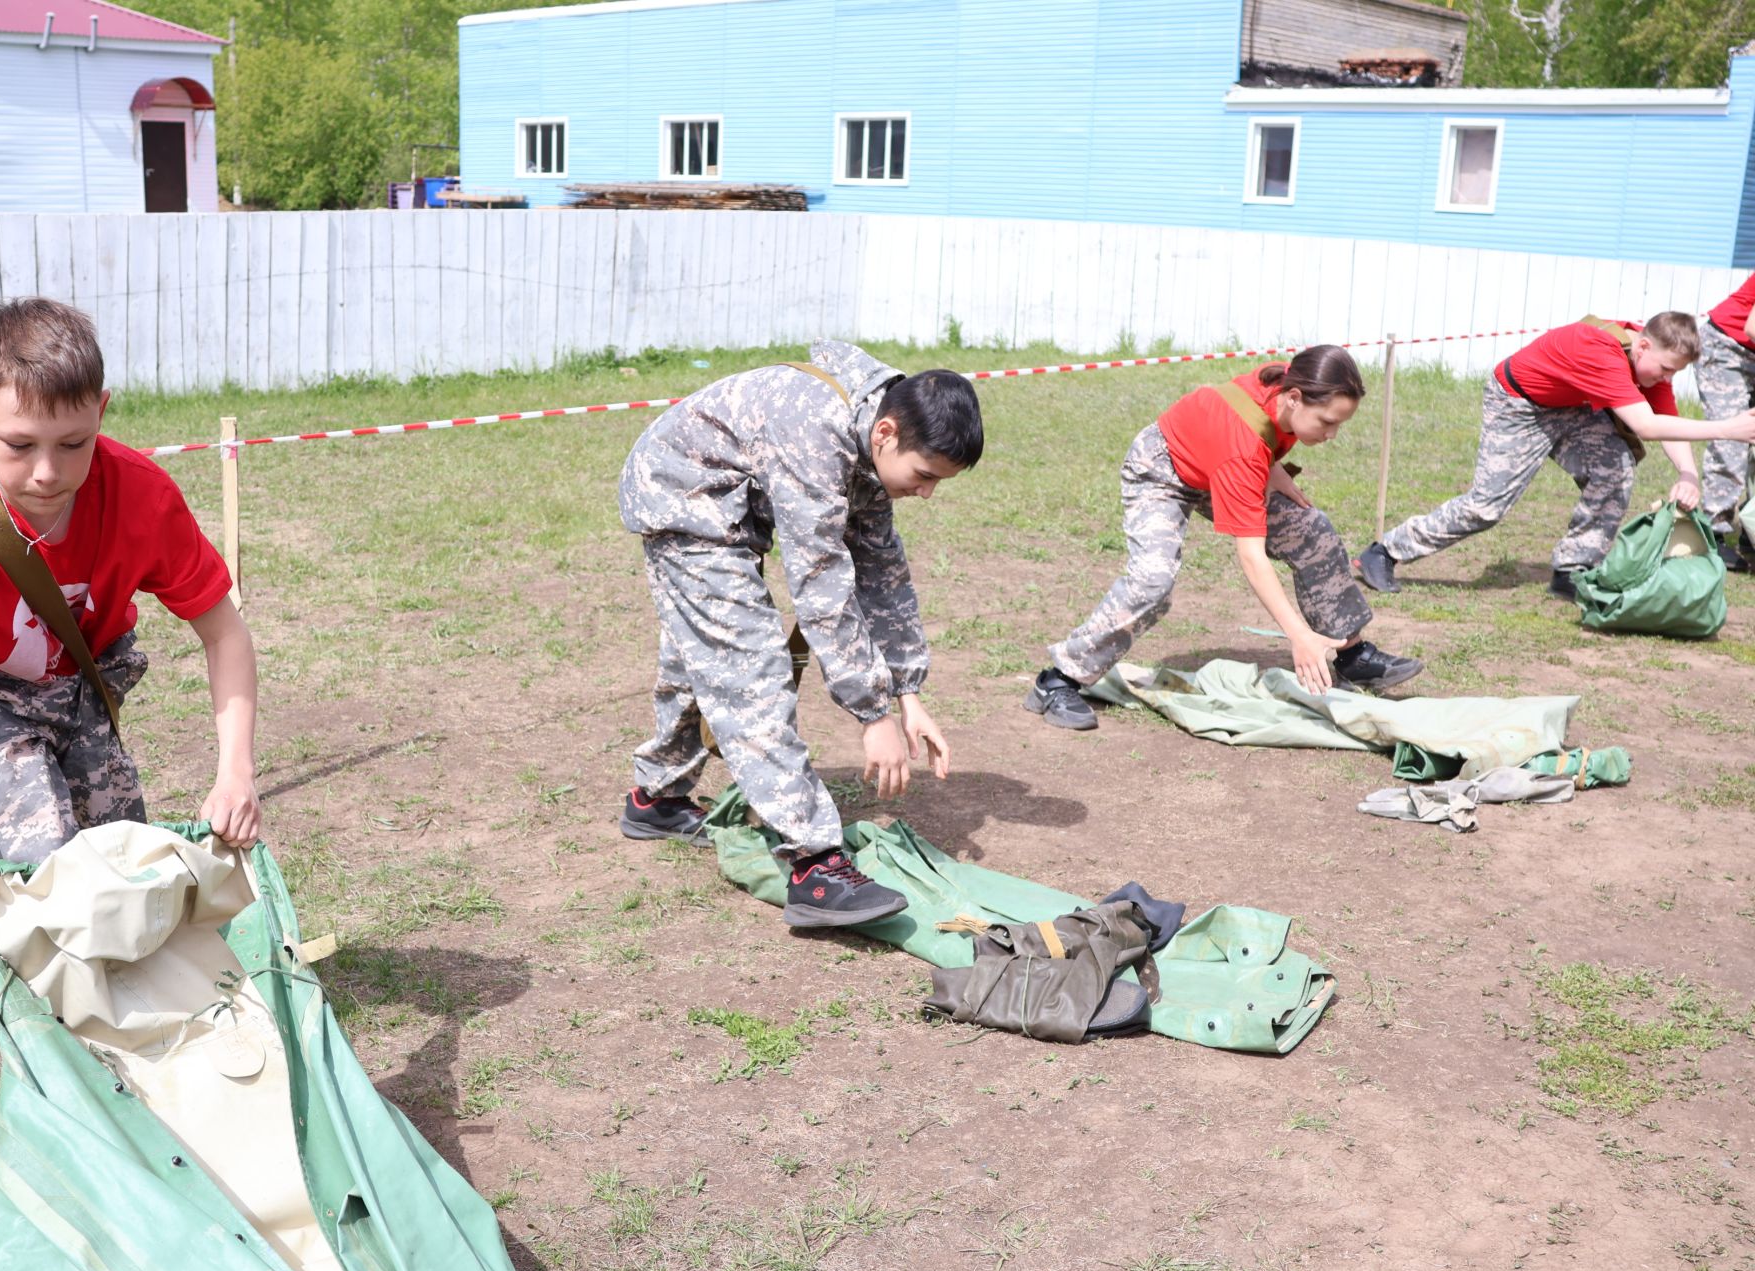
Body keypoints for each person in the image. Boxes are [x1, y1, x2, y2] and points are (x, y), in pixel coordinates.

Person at [0, 298, 260, 918]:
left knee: (124, 873)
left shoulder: (140, 493)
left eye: (73, 442)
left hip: (83, 685)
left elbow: (225, 631)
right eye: (19, 444)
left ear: (102, 409)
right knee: (48, 870)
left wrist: (236, 772)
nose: (47, 472)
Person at [616, 341, 982, 929]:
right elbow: (822, 585)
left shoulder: (868, 433)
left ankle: (656, 800)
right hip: (683, 501)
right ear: (886, 433)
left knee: (704, 658)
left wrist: (908, 694)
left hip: (733, 503)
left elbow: (881, 570)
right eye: (923, 476)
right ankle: (815, 865)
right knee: (751, 669)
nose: (927, 493)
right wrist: (872, 716)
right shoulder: (816, 431)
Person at [1025, 345, 1420, 731]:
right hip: (1162, 472)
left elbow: (1251, 431)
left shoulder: (1290, 380)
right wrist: (1297, 634)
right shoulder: (1242, 451)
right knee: (1152, 581)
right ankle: (1059, 679)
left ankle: (1350, 654)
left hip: (1223, 462)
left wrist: (1272, 465)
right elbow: (1251, 556)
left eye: (1339, 423)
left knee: (1311, 530)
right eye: (1326, 422)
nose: (1332, 434)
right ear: (1295, 398)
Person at [1358, 312, 1755, 597]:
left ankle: (1573, 568)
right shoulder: (1601, 351)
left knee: (1614, 471)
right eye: (1666, 369)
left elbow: (1664, 416)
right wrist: (1726, 429)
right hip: (1518, 404)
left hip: (1571, 408)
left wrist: (1687, 474)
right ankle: (1384, 552)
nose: (1666, 379)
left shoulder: (1645, 359)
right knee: (1485, 508)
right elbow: (1647, 427)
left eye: (1674, 374)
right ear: (1644, 345)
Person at [1697, 274, 1755, 572]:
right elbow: (1753, 326)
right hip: (1727, 348)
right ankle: (1712, 534)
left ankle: (1750, 530)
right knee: (1732, 439)